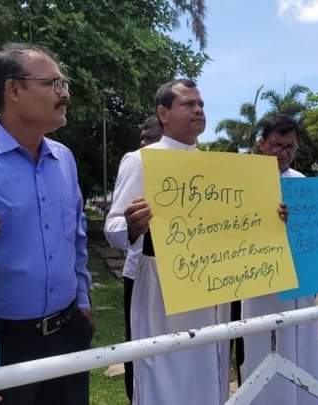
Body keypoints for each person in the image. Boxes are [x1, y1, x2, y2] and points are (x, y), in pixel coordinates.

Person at [0, 43, 93, 405]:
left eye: (65, 84)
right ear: (13, 90)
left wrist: (84, 305)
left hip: (68, 334)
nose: (65, 94)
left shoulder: (65, 159)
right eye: (54, 84)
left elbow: (77, 237)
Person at [104, 79, 230, 405]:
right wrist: (132, 226)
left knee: (208, 364)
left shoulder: (216, 166)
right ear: (163, 112)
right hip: (162, 285)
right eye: (189, 104)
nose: (199, 110)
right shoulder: (141, 160)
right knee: (165, 369)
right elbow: (113, 226)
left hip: (211, 284)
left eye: (201, 104)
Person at [239, 113, 318, 405]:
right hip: (259, 282)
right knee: (262, 347)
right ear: (262, 144)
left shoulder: (303, 183)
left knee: (302, 346)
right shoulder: (243, 180)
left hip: (300, 279)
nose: (283, 153)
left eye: (290, 147)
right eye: (277, 145)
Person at [119, 116, 163, 402]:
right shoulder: (135, 162)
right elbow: (113, 226)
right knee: (142, 352)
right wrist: (132, 227)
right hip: (140, 275)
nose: (145, 145)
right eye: (142, 139)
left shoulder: (194, 167)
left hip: (186, 280)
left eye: (151, 139)